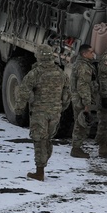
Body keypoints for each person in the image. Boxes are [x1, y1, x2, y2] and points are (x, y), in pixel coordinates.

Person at [16, 44, 67, 181]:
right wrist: (61, 107)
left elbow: (23, 92)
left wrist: (19, 110)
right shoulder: (60, 73)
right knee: (47, 139)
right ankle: (43, 162)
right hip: (55, 112)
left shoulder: (35, 73)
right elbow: (67, 94)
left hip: (40, 112)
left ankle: (39, 172)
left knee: (39, 140)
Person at [69, 43, 97, 158]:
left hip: (78, 98)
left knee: (80, 122)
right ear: (84, 54)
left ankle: (77, 147)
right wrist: (87, 103)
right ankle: (76, 148)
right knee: (81, 123)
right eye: (91, 52)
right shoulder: (84, 67)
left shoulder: (81, 64)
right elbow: (83, 86)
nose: (93, 54)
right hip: (81, 100)